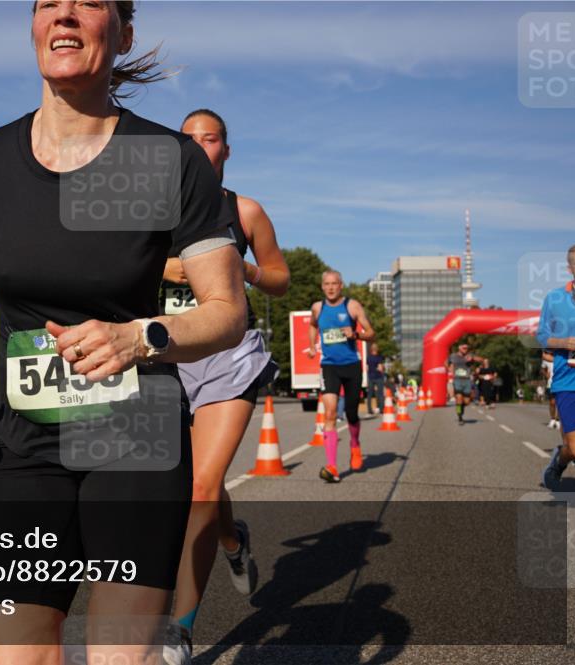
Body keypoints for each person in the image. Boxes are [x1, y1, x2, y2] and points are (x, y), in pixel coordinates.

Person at [0, 2, 249, 662]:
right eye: (47, 3)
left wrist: (137, 337)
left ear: (122, 34)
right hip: (22, 437)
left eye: (88, 1)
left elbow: (226, 310)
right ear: (34, 28)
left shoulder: (168, 159)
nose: (63, 12)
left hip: (135, 433)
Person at [161, 109, 289, 661]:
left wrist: (244, 270)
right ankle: (234, 543)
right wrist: (167, 269)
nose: (197, 147)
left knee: (200, 486)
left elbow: (281, 278)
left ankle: (180, 632)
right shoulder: (149, 210)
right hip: (162, 352)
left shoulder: (246, 209)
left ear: (225, 151)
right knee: (191, 483)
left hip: (228, 355)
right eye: (187, 140)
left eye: (208, 140)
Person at [305, 270, 375, 483]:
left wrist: (355, 334)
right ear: (322, 286)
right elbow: (312, 325)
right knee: (330, 413)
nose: (331, 287)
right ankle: (332, 466)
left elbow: (371, 333)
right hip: (329, 366)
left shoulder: (352, 306)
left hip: (351, 365)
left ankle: (355, 444)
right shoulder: (318, 308)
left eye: (334, 283)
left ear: (341, 285)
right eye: (327, 284)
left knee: (352, 413)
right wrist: (311, 347)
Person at [541, 243, 575, 489]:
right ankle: (560, 461)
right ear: (570, 268)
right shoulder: (555, 299)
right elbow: (541, 336)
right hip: (569, 382)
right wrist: (562, 342)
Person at [446, 342, 482, 425]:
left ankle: (461, 407)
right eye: (464, 348)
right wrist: (450, 370)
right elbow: (446, 363)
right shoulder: (453, 356)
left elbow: (482, 360)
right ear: (459, 348)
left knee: (466, 402)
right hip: (457, 379)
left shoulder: (470, 355)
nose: (465, 349)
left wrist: (473, 359)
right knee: (459, 398)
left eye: (466, 348)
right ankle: (460, 417)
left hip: (467, 380)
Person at [365, 343, 384, 415]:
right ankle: (381, 409)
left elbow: (366, 368)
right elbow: (380, 368)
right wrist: (382, 370)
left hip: (370, 377)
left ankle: (369, 410)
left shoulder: (368, 357)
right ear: (377, 349)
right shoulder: (379, 357)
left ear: (371, 349)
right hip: (378, 377)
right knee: (380, 394)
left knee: (369, 394)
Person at [543, 351, 560, 429]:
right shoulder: (546, 359)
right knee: (552, 402)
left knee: (560, 403)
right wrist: (546, 374)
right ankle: (552, 419)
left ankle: (558, 420)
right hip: (551, 383)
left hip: (561, 382)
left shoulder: (562, 356)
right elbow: (543, 369)